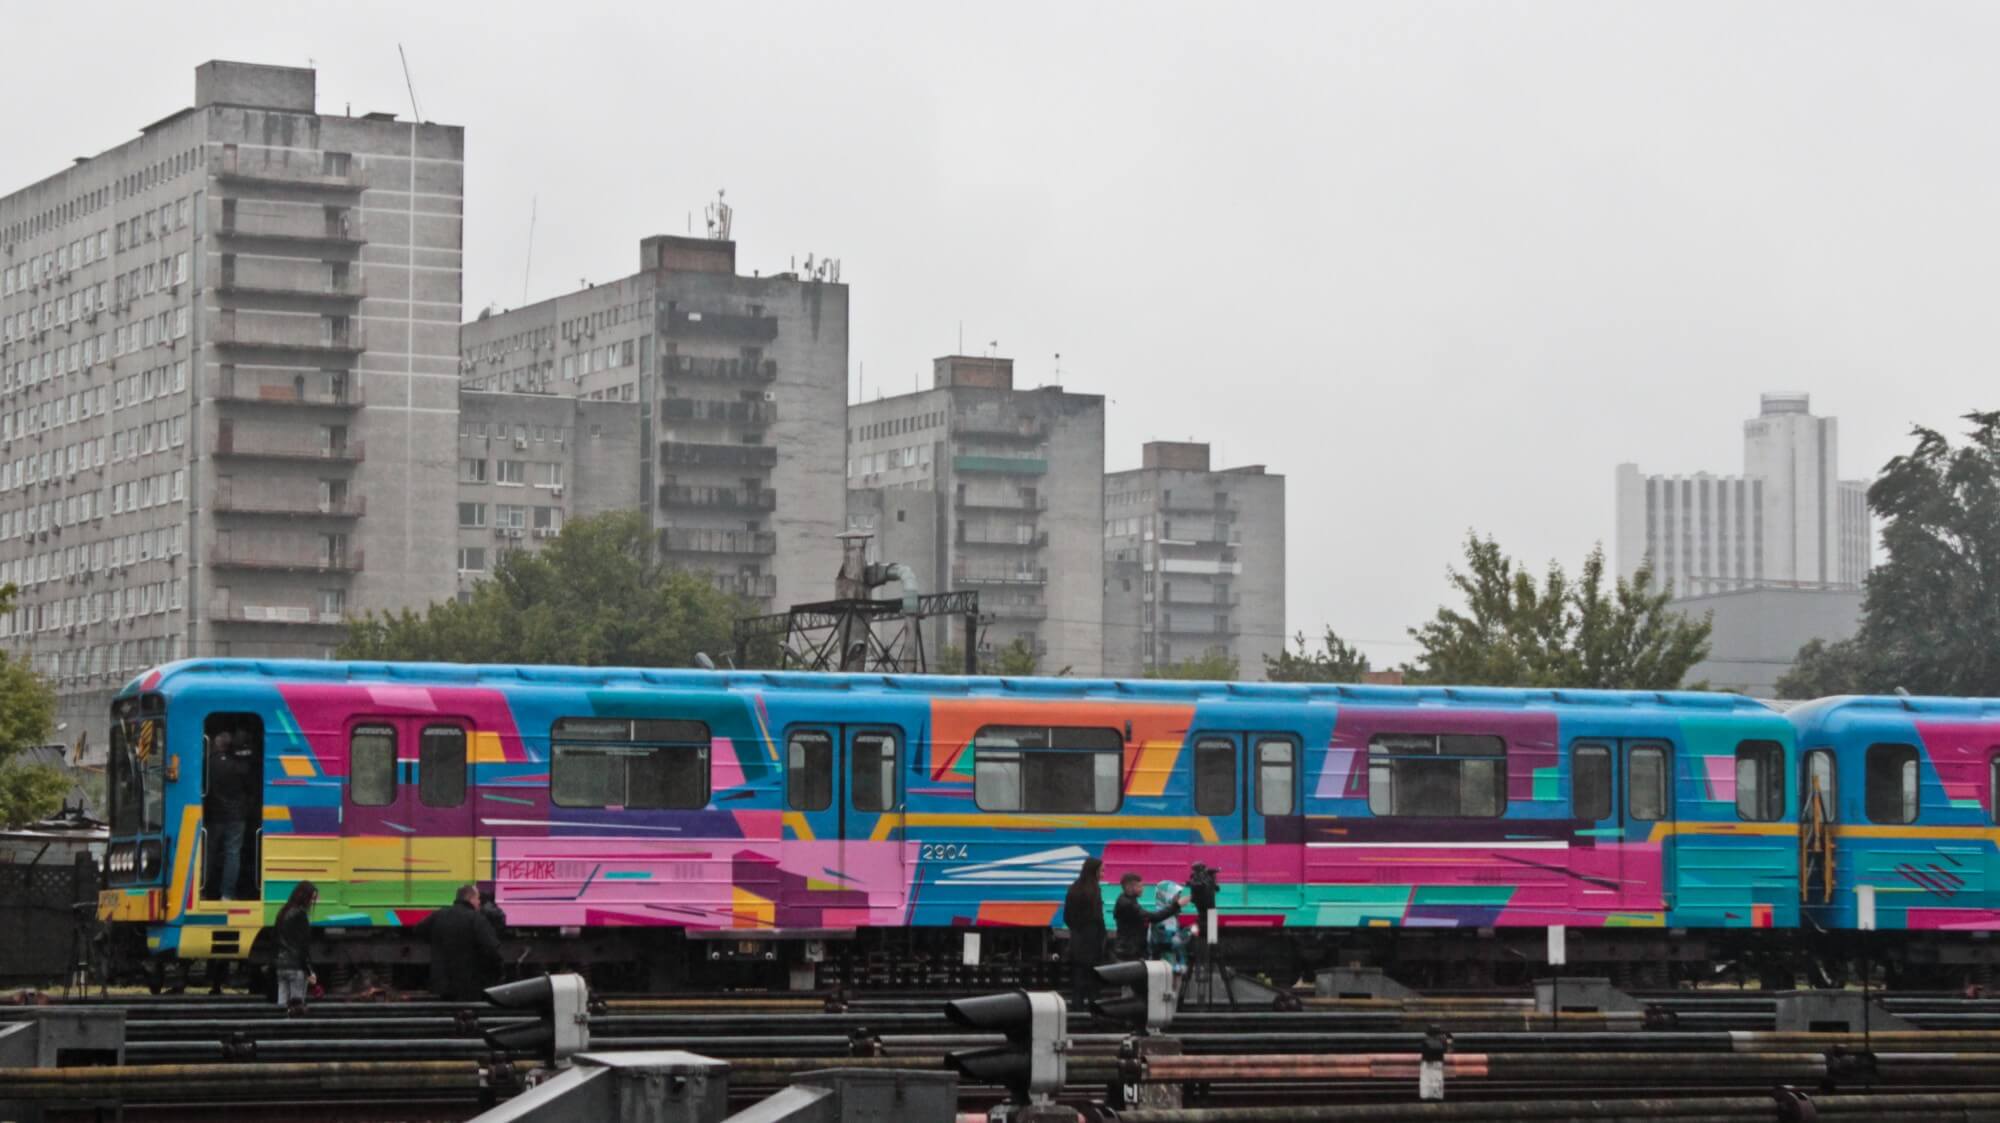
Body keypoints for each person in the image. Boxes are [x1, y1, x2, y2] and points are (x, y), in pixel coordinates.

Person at [413, 884, 504, 1001]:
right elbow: (491, 948)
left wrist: (436, 942)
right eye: (478, 899)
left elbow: (418, 930)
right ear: (471, 899)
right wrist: (497, 972)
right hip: (469, 985)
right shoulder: (476, 919)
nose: (479, 903)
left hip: (443, 984)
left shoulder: (439, 915)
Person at [207, 732, 254, 900]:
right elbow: (249, 788)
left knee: (209, 851)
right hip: (237, 816)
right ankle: (227, 894)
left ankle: (202, 888)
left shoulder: (209, 763)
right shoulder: (239, 766)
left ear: (217, 745)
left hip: (215, 814)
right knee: (232, 853)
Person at [1062, 857, 1106, 1001]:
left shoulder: (1074, 888)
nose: (1103, 874)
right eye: (1101, 871)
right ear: (1094, 871)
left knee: (1078, 977)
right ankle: (1093, 1010)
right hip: (1092, 939)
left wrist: (1076, 928)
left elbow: (1067, 917)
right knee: (1093, 978)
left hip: (1078, 938)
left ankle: (1077, 1007)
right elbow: (1098, 918)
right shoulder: (1094, 891)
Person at [1113, 873, 1185, 961]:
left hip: (1131, 948)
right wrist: (1176, 905)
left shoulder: (1128, 900)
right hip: (1130, 951)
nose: (1142, 889)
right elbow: (1154, 918)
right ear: (1129, 887)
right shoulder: (1127, 904)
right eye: (1139, 886)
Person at [273, 881, 317, 1011]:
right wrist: (309, 971)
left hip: (281, 966)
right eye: (311, 898)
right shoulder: (301, 915)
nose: (312, 903)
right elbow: (302, 946)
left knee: (282, 1008)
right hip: (296, 967)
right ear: (305, 897)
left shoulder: (283, 911)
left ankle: (280, 1028)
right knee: (296, 1009)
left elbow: (275, 939)